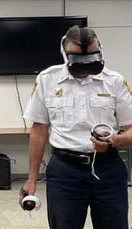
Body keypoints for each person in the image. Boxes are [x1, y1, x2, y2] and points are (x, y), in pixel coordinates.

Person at [20, 26, 132, 229]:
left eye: (91, 57)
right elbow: (38, 131)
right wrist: (31, 179)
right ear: (64, 53)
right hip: (64, 171)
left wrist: (114, 141)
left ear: (100, 51)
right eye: (78, 60)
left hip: (108, 168)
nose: (85, 64)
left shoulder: (115, 82)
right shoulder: (47, 80)